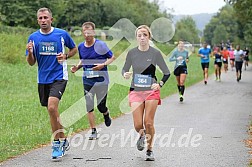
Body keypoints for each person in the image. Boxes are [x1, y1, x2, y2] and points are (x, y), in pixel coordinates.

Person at [26, 7, 77, 160]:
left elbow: (74, 48)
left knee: (52, 107)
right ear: (37, 20)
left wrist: (66, 55)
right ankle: (64, 139)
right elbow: (31, 63)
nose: (43, 20)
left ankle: (56, 143)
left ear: (51, 19)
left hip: (59, 76)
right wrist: (29, 52)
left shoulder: (61, 34)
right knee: (52, 112)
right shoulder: (33, 38)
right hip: (43, 79)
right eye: (40, 18)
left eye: (45, 18)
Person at [122, 25, 170, 161]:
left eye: (145, 35)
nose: (142, 38)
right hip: (135, 91)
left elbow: (166, 72)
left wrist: (159, 84)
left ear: (149, 37)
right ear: (136, 38)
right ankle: (142, 135)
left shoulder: (155, 53)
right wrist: (125, 74)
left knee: (148, 122)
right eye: (139, 35)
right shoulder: (132, 53)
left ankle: (149, 150)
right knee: (138, 125)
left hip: (151, 91)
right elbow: (124, 69)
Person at [71, 22, 115, 140]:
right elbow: (83, 60)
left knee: (101, 106)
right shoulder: (81, 46)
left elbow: (112, 57)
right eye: (85, 32)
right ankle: (93, 130)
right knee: (89, 105)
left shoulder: (101, 45)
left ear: (93, 32)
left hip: (102, 80)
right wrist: (77, 67)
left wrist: (102, 65)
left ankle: (106, 114)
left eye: (89, 32)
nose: (87, 34)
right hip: (88, 80)